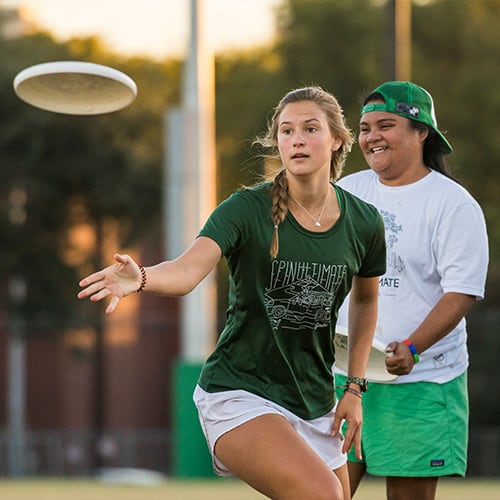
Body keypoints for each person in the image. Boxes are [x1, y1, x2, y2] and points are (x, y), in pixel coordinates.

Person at [78, 86, 386, 500]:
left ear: (337, 140)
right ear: (276, 141)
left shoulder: (364, 221)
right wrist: (143, 277)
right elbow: (187, 270)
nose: (297, 139)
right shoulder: (245, 209)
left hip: (315, 401)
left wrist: (354, 388)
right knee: (324, 495)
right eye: (287, 130)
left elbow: (366, 300)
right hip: (239, 392)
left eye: (310, 129)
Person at [334, 81, 489, 500]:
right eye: (364, 128)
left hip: (423, 379)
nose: (371, 137)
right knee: (321, 492)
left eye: (386, 125)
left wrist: (414, 347)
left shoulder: (452, 204)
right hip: (345, 377)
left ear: (422, 133)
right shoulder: (348, 192)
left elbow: (461, 292)